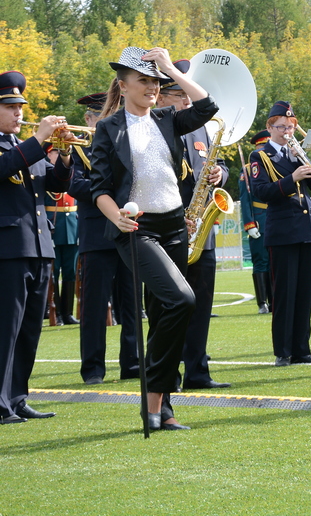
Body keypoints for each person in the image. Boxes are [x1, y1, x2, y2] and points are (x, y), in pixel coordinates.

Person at [90, 47, 215, 431]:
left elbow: (207, 105)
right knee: (182, 300)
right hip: (137, 229)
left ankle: (162, 407)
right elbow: (99, 188)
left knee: (164, 316)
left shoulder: (166, 118)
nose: (151, 87)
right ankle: (152, 399)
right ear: (123, 86)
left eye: (155, 81)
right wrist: (119, 219)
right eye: (142, 80)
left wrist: (167, 68)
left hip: (176, 226)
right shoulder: (108, 129)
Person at [0, 70, 72, 424]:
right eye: (10, 106)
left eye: (20, 106)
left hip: (40, 246)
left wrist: (65, 156)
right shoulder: (16, 149)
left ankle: (17, 397)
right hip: (8, 248)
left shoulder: (22, 147)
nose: (18, 112)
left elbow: (52, 185)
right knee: (6, 329)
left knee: (30, 328)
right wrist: (39, 139)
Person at [156, 61, 231, 390]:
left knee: (202, 305)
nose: (187, 99)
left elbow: (221, 164)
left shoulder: (203, 128)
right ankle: (168, 373)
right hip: (171, 227)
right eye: (178, 93)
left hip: (203, 228)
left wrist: (220, 175)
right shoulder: (157, 127)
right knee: (169, 307)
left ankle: (198, 371)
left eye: (188, 92)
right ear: (161, 96)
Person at [249, 101, 311, 367]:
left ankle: (302, 349)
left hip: (308, 229)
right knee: (284, 294)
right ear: (269, 127)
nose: (287, 131)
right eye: (282, 127)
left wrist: (310, 163)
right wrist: (292, 177)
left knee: (305, 292)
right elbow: (260, 192)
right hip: (282, 231)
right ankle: (283, 350)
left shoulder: (298, 153)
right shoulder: (261, 156)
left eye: (291, 127)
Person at [73, 92, 139, 385]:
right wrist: (107, 194)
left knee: (132, 302)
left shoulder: (124, 143)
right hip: (97, 234)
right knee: (94, 306)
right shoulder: (77, 150)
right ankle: (93, 369)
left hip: (127, 230)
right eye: (100, 115)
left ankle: (133, 363)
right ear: (88, 119)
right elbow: (74, 185)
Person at [239, 130, 272, 314]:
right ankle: (262, 302)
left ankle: (275, 300)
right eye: (263, 146)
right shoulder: (248, 168)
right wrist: (249, 223)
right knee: (261, 261)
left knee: (276, 261)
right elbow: (245, 199)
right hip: (259, 218)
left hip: (276, 216)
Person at [46, 169, 79, 325]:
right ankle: (56, 313)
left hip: (71, 226)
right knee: (54, 272)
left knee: (70, 272)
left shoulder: (71, 173)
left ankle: (67, 313)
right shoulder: (47, 174)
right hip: (53, 225)